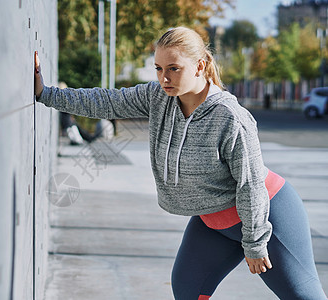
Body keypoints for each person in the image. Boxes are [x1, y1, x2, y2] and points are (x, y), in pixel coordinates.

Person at [34, 27, 327, 299]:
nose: (164, 78)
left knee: (302, 296)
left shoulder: (230, 118)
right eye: (159, 69)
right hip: (213, 218)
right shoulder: (157, 97)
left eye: (174, 69)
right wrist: (45, 93)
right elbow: (107, 101)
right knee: (188, 290)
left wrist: (254, 241)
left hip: (265, 215)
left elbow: (250, 184)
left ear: (200, 66)